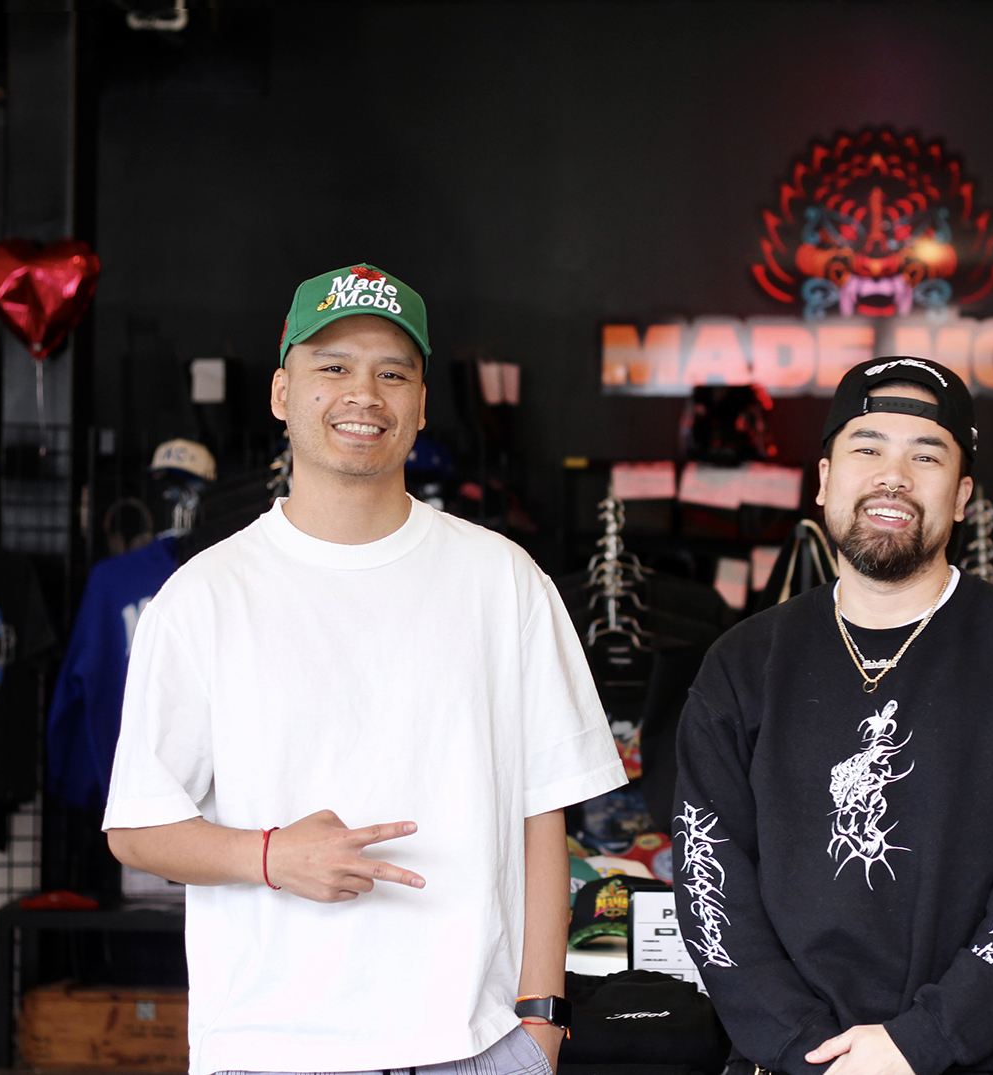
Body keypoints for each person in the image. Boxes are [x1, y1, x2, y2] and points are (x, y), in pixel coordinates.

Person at [104, 263, 626, 1075]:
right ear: (282, 393)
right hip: (268, 1047)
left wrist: (541, 1021)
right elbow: (136, 828)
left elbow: (542, 814)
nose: (364, 394)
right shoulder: (204, 596)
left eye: (393, 372)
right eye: (333, 367)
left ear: (420, 405)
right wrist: (271, 855)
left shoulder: (503, 580)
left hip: (475, 1046)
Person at [674, 357, 993, 1075]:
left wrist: (923, 1040)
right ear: (823, 479)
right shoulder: (742, 664)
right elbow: (708, 873)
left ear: (963, 494)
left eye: (926, 455)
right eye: (867, 448)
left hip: (970, 1058)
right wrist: (807, 1047)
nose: (893, 477)